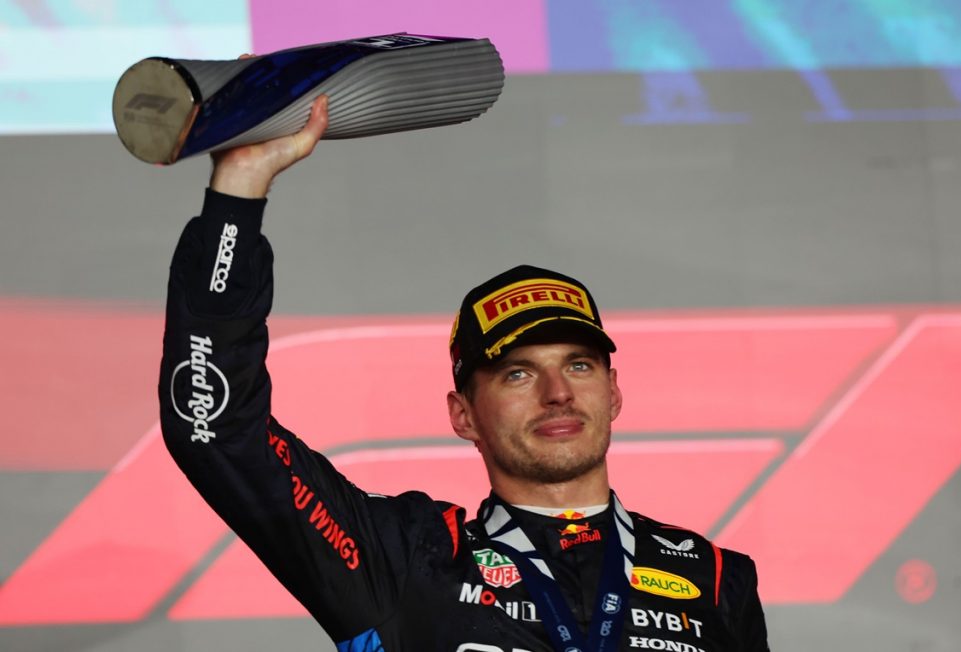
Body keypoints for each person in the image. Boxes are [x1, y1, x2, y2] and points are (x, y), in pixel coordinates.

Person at [159, 95, 770, 652]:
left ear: (613, 393)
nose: (559, 394)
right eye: (518, 375)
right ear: (462, 414)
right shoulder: (404, 558)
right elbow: (217, 428)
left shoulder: (715, 579)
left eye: (579, 366)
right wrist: (239, 190)